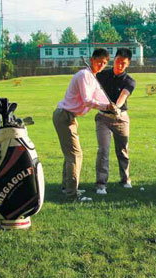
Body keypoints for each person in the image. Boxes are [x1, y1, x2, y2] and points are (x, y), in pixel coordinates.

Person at [53, 48, 113, 199]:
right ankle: (72, 194)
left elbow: (100, 97)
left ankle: (66, 188)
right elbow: (87, 100)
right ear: (92, 59)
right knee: (75, 155)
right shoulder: (84, 75)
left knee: (71, 154)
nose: (101, 65)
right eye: (99, 61)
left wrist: (113, 107)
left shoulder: (92, 77)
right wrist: (106, 107)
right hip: (64, 116)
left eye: (104, 63)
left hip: (69, 117)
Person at [94, 48, 136, 195]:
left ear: (128, 64)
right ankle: (101, 184)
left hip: (121, 119)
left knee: (123, 150)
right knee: (103, 151)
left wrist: (116, 107)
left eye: (123, 63)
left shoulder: (129, 81)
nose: (119, 65)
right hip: (103, 118)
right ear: (114, 59)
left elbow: (123, 96)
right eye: (117, 61)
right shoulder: (102, 75)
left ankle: (125, 179)